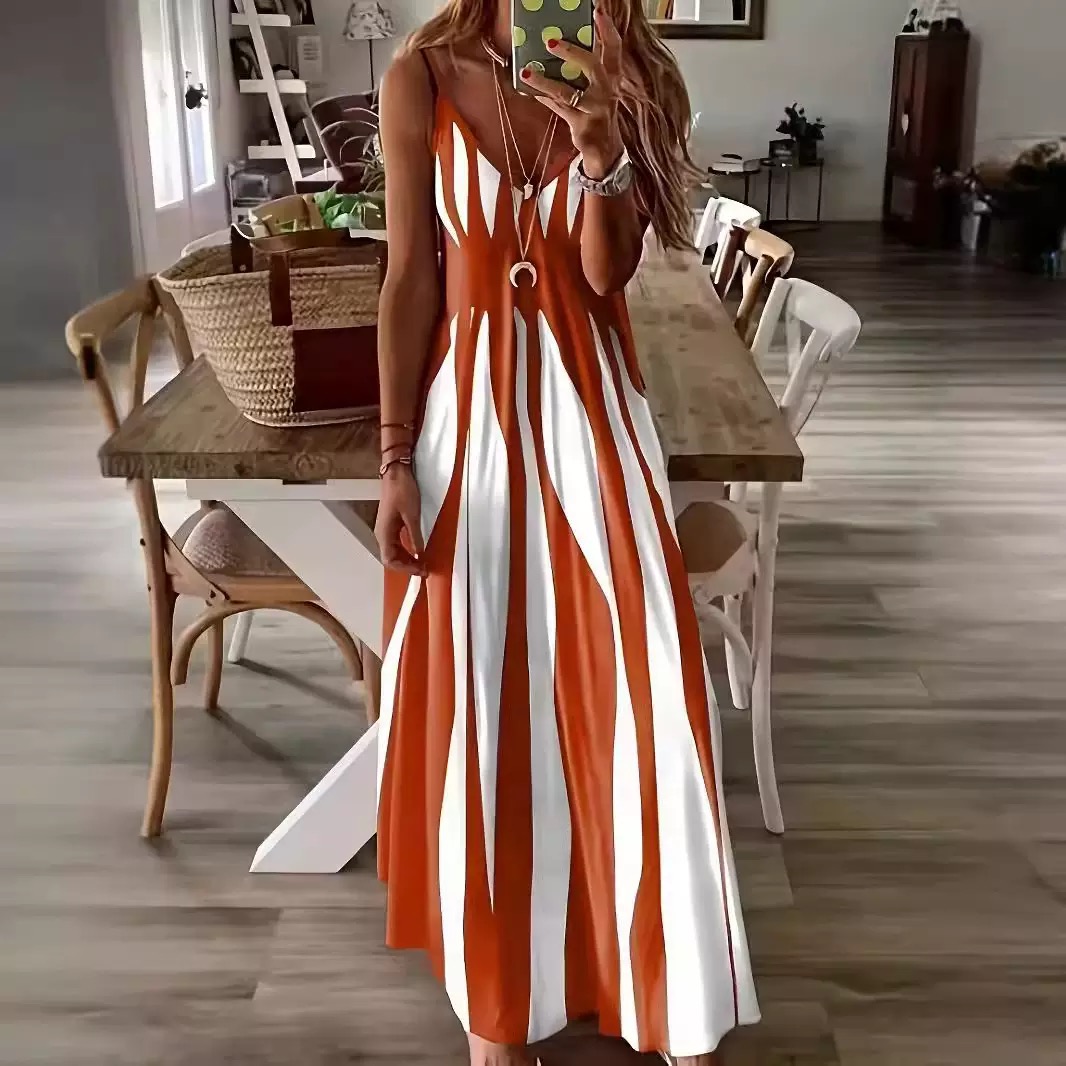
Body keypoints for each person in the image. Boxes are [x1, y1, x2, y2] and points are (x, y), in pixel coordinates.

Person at [372, 1, 759, 1063]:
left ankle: (671, 981)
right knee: (483, 695)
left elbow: (602, 275)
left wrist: (600, 154)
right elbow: (408, 278)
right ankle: (499, 1010)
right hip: (466, 424)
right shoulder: (420, 75)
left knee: (637, 686)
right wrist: (395, 458)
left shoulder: (623, 70)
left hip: (593, 415)